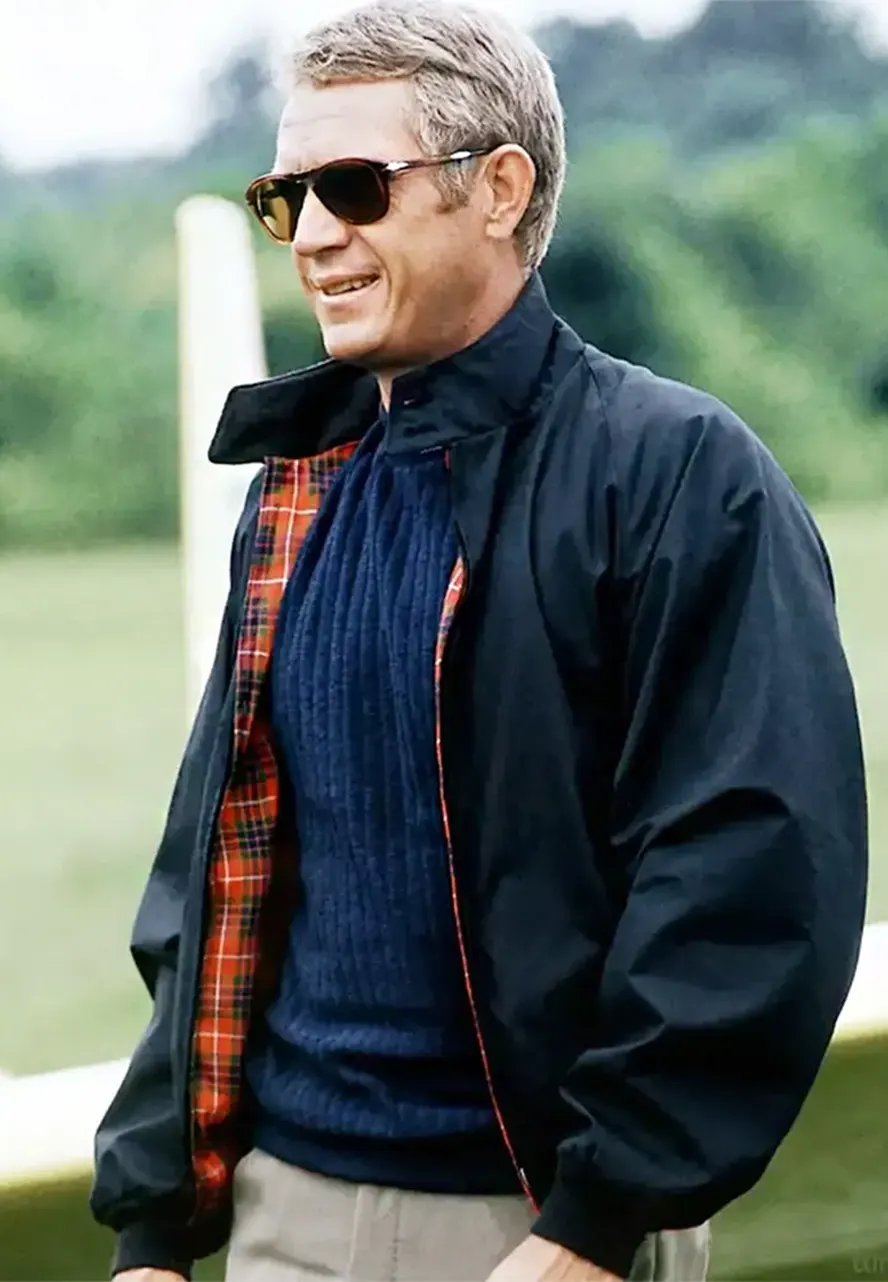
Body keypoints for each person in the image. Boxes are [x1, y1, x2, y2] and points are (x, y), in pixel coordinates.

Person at [89, 2, 869, 1280]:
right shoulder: (294, 490)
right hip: (285, 1215)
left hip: (544, 1226)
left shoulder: (678, 474)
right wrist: (153, 1227)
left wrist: (593, 1224)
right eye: (288, 197)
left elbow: (752, 872)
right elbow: (213, 878)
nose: (316, 232)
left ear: (500, 188)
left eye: (355, 185)